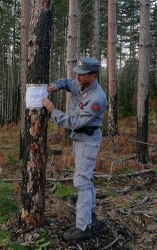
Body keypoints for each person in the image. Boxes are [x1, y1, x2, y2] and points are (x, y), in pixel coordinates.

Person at [42, 57, 107, 242]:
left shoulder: (97, 99)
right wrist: (57, 85)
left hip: (87, 139)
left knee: (82, 182)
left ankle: (83, 227)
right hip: (80, 139)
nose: (77, 77)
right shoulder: (80, 83)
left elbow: (75, 122)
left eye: (81, 74)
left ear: (92, 76)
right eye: (77, 73)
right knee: (87, 178)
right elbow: (68, 82)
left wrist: (53, 111)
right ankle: (91, 217)